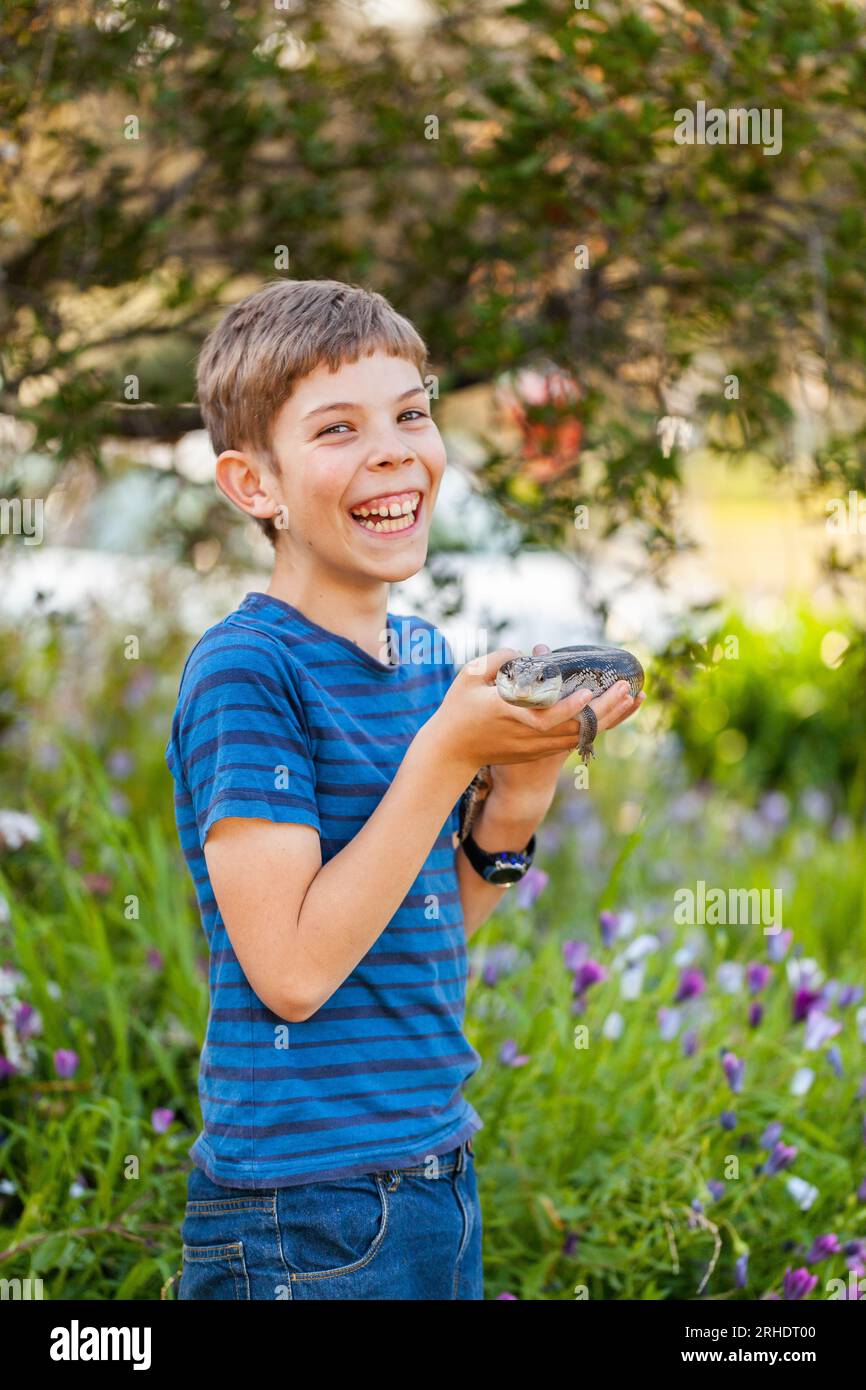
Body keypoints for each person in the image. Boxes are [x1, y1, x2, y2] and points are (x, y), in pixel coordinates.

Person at [164, 278, 644, 1300]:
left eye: (411, 415)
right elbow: (291, 971)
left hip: (436, 1176)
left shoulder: (424, 658)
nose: (392, 449)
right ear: (255, 484)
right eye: (337, 428)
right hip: (301, 1211)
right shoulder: (246, 672)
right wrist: (441, 757)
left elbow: (428, 923)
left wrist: (519, 782)